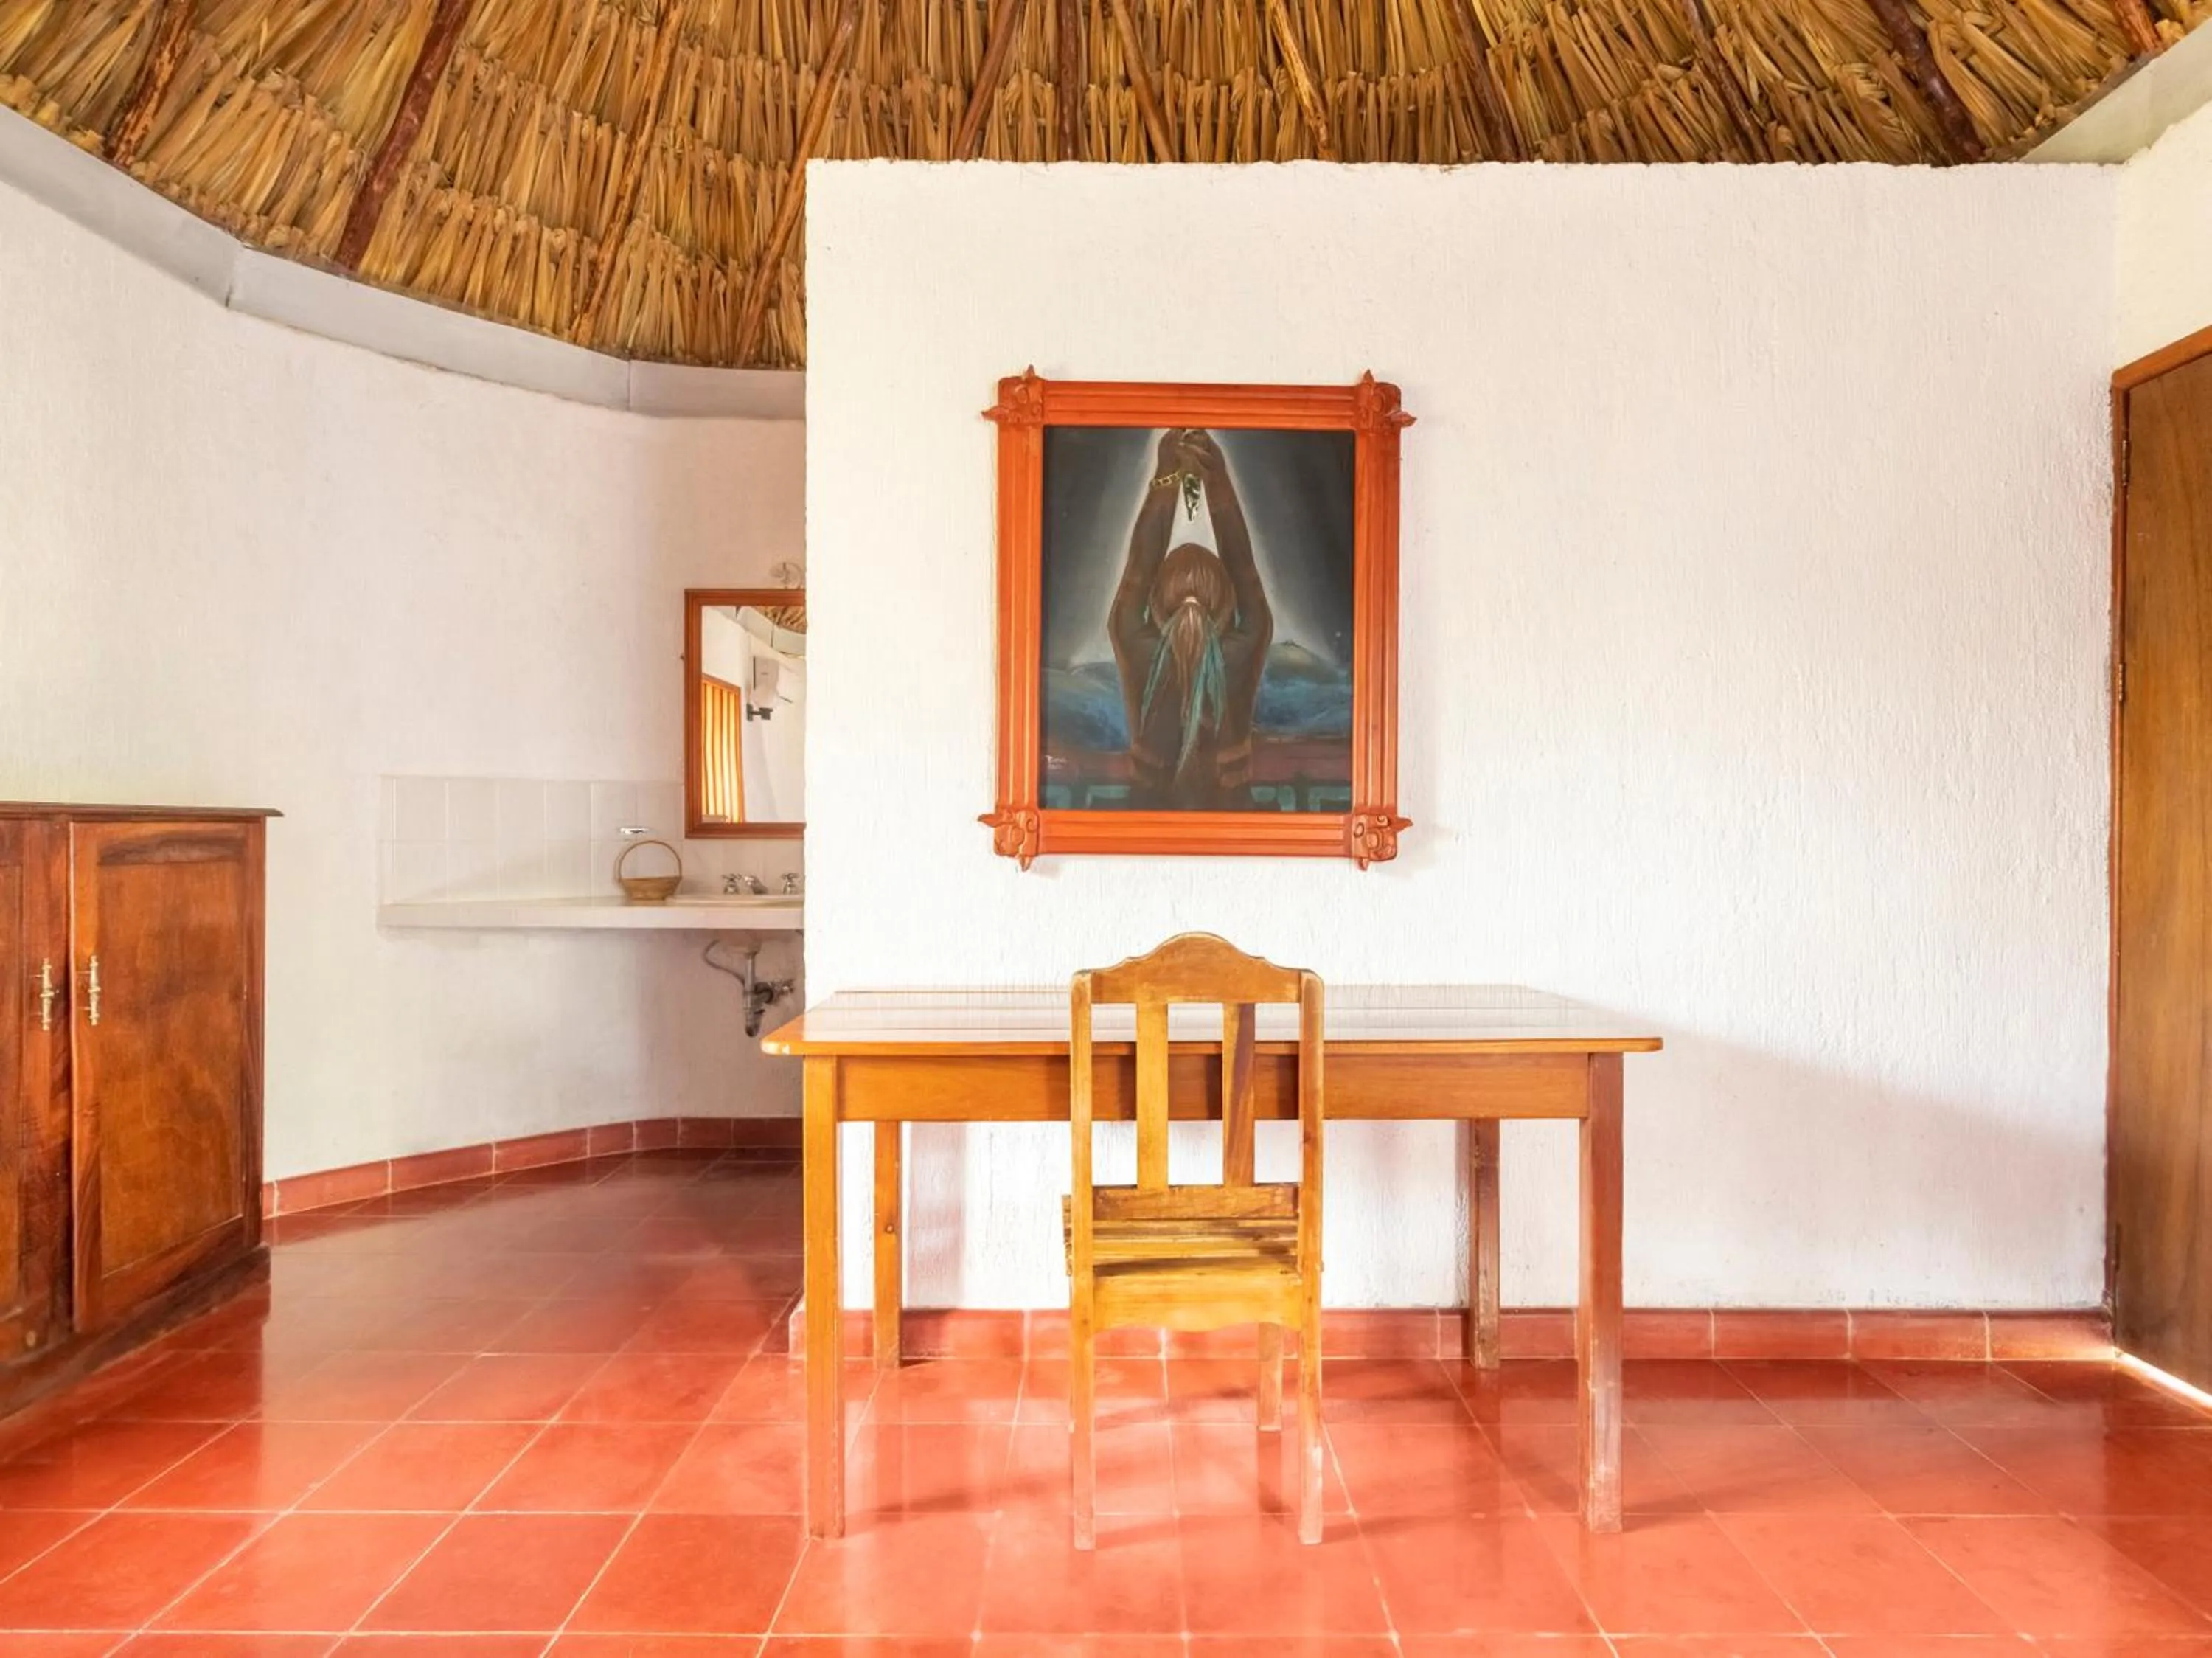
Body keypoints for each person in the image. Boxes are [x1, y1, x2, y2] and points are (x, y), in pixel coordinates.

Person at [1107, 429, 1273, 808]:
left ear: (1156, 600)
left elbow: (1137, 569)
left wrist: (1167, 476)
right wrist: (1218, 481)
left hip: (1144, 824)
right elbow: (1245, 570)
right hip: (1234, 824)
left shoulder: (1136, 645)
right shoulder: (1245, 646)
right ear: (1228, 602)